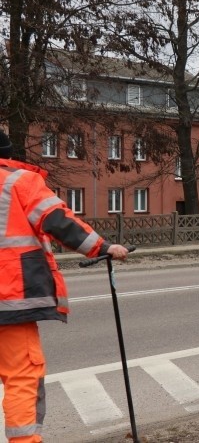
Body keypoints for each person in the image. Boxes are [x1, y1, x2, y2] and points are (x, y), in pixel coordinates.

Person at [0, 130, 129, 443]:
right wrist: (102, 247)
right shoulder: (17, 181)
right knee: (21, 376)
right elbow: (57, 220)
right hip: (9, 296)